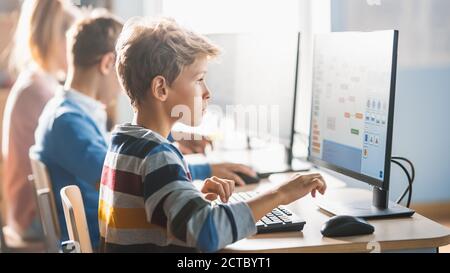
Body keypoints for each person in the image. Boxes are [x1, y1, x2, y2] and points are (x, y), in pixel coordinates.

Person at [99, 17, 327, 253]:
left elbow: (153, 217)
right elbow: (206, 233)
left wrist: (192, 199)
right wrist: (280, 194)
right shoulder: (157, 156)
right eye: (199, 80)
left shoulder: (125, 143)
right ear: (161, 88)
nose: (207, 92)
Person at [32, 11, 123, 249]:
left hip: (103, 231)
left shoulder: (71, 113)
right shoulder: (67, 122)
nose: (125, 85)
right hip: (99, 240)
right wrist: (202, 168)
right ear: (107, 64)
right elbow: (120, 180)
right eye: (124, 71)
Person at [2, 0, 78, 241]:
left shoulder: (37, 83)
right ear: (59, 39)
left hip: (26, 211)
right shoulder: (40, 92)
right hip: (33, 216)